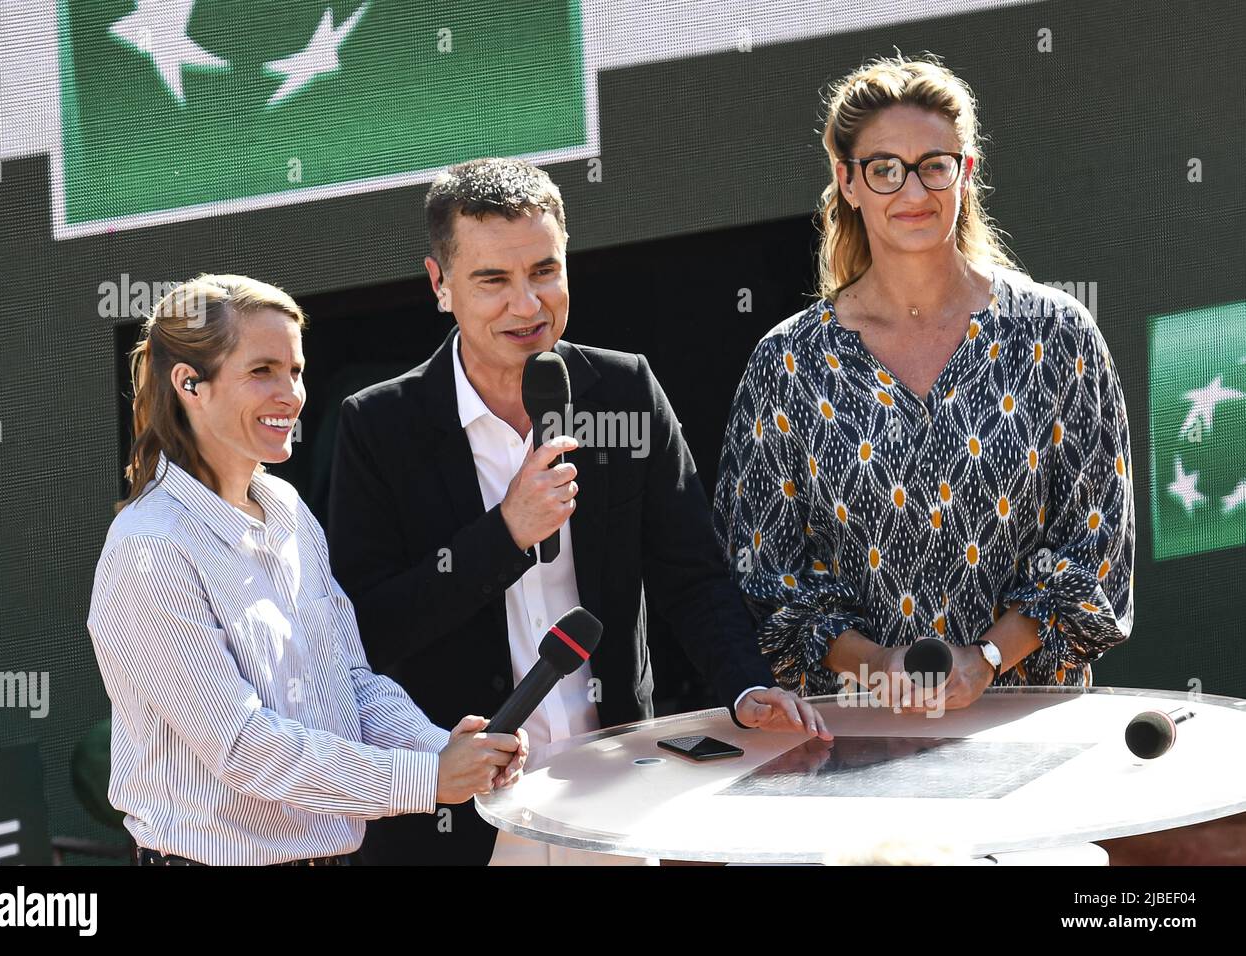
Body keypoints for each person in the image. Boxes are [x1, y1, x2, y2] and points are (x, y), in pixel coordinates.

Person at [328, 157, 832, 866]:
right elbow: (370, 631)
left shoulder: (624, 389)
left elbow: (693, 575)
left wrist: (745, 687)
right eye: (493, 281)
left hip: (613, 797)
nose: (527, 305)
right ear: (440, 286)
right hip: (464, 817)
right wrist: (505, 535)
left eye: (544, 271)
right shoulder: (379, 426)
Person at [714, 55, 1135, 713]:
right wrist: (878, 664)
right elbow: (762, 579)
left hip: (1027, 734)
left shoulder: (1058, 334)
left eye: (933, 166)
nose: (912, 193)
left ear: (966, 173)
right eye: (885, 170)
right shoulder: (787, 362)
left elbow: (1096, 552)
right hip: (850, 744)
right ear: (847, 182)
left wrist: (988, 659)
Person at [86, 274, 526, 866]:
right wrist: (426, 778)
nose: (291, 394)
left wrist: (445, 748)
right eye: (262, 371)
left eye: (294, 371)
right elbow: (243, 749)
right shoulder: (149, 548)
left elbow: (351, 685)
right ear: (190, 384)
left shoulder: (290, 512)